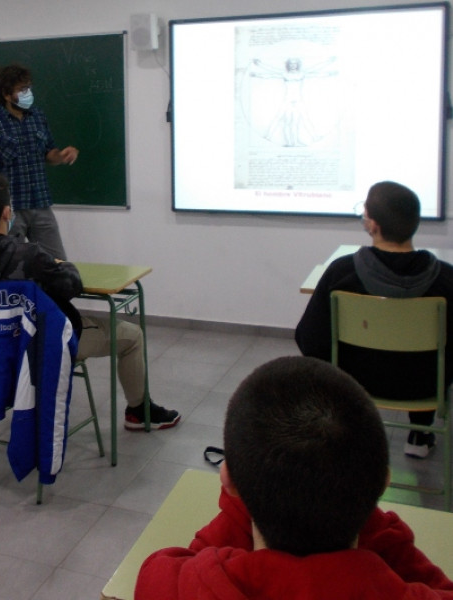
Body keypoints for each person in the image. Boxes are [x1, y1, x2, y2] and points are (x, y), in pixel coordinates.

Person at [135, 356, 453, 600]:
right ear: (382, 483)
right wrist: (354, 499)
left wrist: (248, 492)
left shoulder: (184, 585)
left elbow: (171, 567)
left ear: (228, 480)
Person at [0, 165, 179, 430]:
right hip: (44, 346)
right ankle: (139, 411)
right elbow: (72, 286)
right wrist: (59, 264)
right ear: (7, 212)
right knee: (132, 336)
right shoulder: (30, 256)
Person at [295, 181, 453, 458]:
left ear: (373, 225)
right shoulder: (447, 279)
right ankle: (420, 433)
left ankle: (351, 425)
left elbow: (308, 338)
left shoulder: (341, 273)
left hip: (355, 382)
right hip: (426, 386)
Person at [0, 63, 78, 261]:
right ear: (6, 94)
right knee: (11, 265)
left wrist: (62, 156)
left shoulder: (37, 117)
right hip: (9, 210)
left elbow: (49, 153)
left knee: (58, 264)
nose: (28, 93)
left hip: (40, 203)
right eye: (22, 89)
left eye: (29, 88)